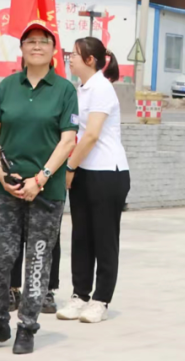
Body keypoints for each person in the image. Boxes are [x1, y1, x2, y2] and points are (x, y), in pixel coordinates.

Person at [0, 20, 77, 355]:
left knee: (37, 259)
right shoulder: (7, 86)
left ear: (53, 50)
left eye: (44, 41)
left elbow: (68, 139)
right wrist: (0, 172)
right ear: (21, 49)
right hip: (2, 187)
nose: (37, 46)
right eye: (30, 41)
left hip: (44, 192)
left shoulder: (64, 90)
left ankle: (27, 326)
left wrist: (41, 178)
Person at [56, 37, 130, 324]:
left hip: (107, 173)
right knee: (82, 236)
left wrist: (70, 166)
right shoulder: (81, 88)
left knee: (104, 238)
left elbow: (91, 135)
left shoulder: (101, 88)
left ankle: (101, 299)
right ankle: (80, 295)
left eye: (73, 55)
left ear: (90, 60)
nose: (69, 59)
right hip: (84, 170)